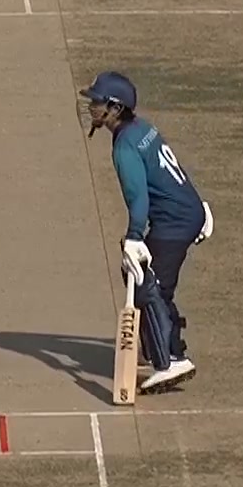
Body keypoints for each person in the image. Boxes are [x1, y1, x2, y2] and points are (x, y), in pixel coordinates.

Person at [79, 72, 215, 394]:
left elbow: (138, 197)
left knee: (149, 284)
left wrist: (135, 235)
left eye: (97, 101)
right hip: (186, 211)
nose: (91, 106)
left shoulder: (125, 145)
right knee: (138, 276)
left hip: (174, 222)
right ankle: (152, 345)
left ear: (115, 108)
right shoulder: (141, 128)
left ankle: (171, 358)